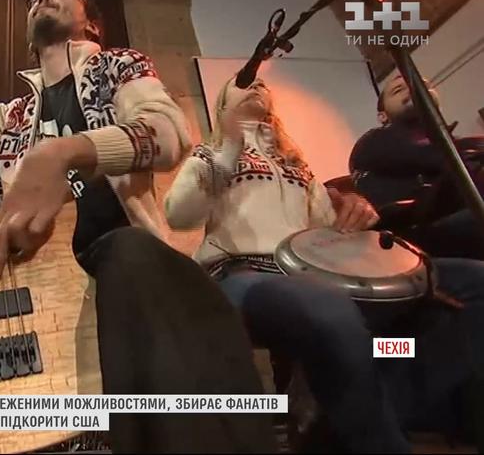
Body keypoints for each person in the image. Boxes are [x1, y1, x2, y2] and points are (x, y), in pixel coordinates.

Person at [0, 0, 277, 453]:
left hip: (110, 253)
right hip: (34, 271)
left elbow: (168, 132)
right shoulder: (16, 114)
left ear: (93, 24)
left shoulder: (118, 68)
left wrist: (66, 151)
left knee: (131, 251)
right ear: (28, 37)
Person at [165, 76, 484, 451]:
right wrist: (228, 147)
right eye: (242, 82)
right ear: (222, 104)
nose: (254, 85)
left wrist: (354, 210)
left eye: (261, 84)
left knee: (467, 290)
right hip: (242, 274)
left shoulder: (297, 165)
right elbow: (179, 215)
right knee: (332, 313)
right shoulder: (210, 154)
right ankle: (370, 435)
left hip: (316, 277)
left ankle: (346, 423)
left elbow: (327, 229)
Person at [349, 74, 484, 260]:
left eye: (422, 85)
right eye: (398, 90)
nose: (412, 89)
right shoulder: (371, 142)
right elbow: (440, 159)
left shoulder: (457, 144)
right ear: (382, 115)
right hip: (416, 239)